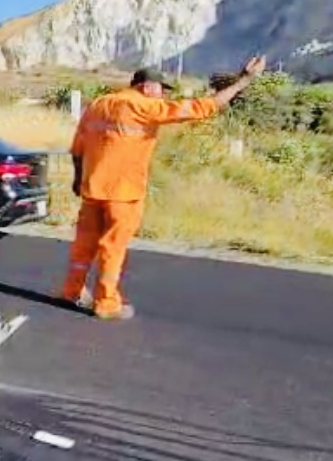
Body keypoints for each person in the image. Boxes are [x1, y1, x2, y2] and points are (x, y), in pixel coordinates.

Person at [62, 55, 268, 320]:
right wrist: (243, 82)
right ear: (148, 87)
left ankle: (71, 291)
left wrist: (78, 179)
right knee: (113, 247)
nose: (162, 96)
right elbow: (203, 107)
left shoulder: (98, 104)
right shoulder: (145, 107)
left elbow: (77, 148)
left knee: (84, 243)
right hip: (124, 193)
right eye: (161, 90)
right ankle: (106, 302)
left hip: (92, 187)